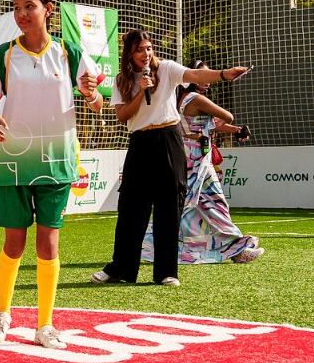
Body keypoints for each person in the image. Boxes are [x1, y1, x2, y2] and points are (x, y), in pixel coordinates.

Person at [0, 0, 104, 349]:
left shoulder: (68, 52)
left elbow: (97, 102)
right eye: (16, 8)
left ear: (48, 9)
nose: (20, 14)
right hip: (15, 161)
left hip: (59, 161)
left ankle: (45, 325)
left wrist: (90, 93)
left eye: (29, 6)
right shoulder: (5, 53)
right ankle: (2, 313)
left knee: (48, 244)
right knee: (14, 241)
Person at [91, 29, 248, 286]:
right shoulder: (122, 80)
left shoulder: (165, 69)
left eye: (149, 48)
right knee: (131, 207)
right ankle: (121, 269)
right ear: (129, 53)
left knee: (169, 205)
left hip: (168, 139)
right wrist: (141, 91)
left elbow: (196, 74)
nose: (146, 54)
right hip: (140, 141)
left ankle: (166, 272)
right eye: (140, 49)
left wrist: (223, 74)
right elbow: (123, 116)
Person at [140, 66, 262, 266]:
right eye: (204, 75)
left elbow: (216, 123)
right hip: (196, 156)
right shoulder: (196, 99)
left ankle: (150, 243)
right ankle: (237, 247)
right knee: (212, 203)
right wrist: (221, 123)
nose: (208, 79)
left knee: (191, 206)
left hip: (187, 154)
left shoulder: (181, 100)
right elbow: (227, 116)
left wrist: (233, 130)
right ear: (193, 78)